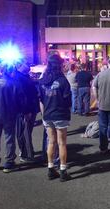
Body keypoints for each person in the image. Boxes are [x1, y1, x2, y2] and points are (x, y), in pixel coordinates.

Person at [38, 54, 72, 182]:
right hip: (60, 114)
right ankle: (63, 170)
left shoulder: (42, 81)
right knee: (62, 143)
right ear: (60, 65)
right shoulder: (63, 81)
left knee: (51, 142)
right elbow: (68, 101)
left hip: (47, 115)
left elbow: (40, 100)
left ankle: (50, 168)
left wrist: (43, 115)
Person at [15, 61, 40, 163]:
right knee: (24, 133)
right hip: (25, 111)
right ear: (20, 66)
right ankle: (26, 155)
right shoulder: (20, 78)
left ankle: (26, 152)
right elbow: (23, 97)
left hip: (28, 109)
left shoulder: (23, 76)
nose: (29, 66)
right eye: (26, 64)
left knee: (26, 132)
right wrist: (27, 111)